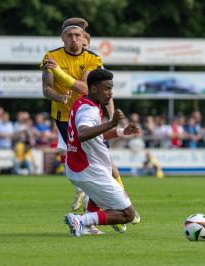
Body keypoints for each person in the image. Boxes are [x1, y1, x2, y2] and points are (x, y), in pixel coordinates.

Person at [39, 18, 121, 212]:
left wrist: (58, 72)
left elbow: (85, 88)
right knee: (82, 161)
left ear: (84, 37)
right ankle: (97, 204)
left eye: (77, 35)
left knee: (103, 159)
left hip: (89, 114)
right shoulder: (50, 56)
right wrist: (60, 97)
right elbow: (45, 90)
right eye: (69, 35)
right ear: (62, 38)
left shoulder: (93, 59)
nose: (74, 39)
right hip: (65, 118)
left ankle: (118, 198)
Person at [64, 68, 140, 237]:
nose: (110, 93)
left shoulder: (82, 103)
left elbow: (95, 135)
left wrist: (121, 132)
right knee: (128, 214)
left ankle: (87, 226)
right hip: (89, 169)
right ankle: (81, 220)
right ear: (93, 88)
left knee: (96, 196)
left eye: (111, 88)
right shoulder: (88, 110)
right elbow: (83, 134)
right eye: (106, 88)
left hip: (79, 166)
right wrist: (111, 124)